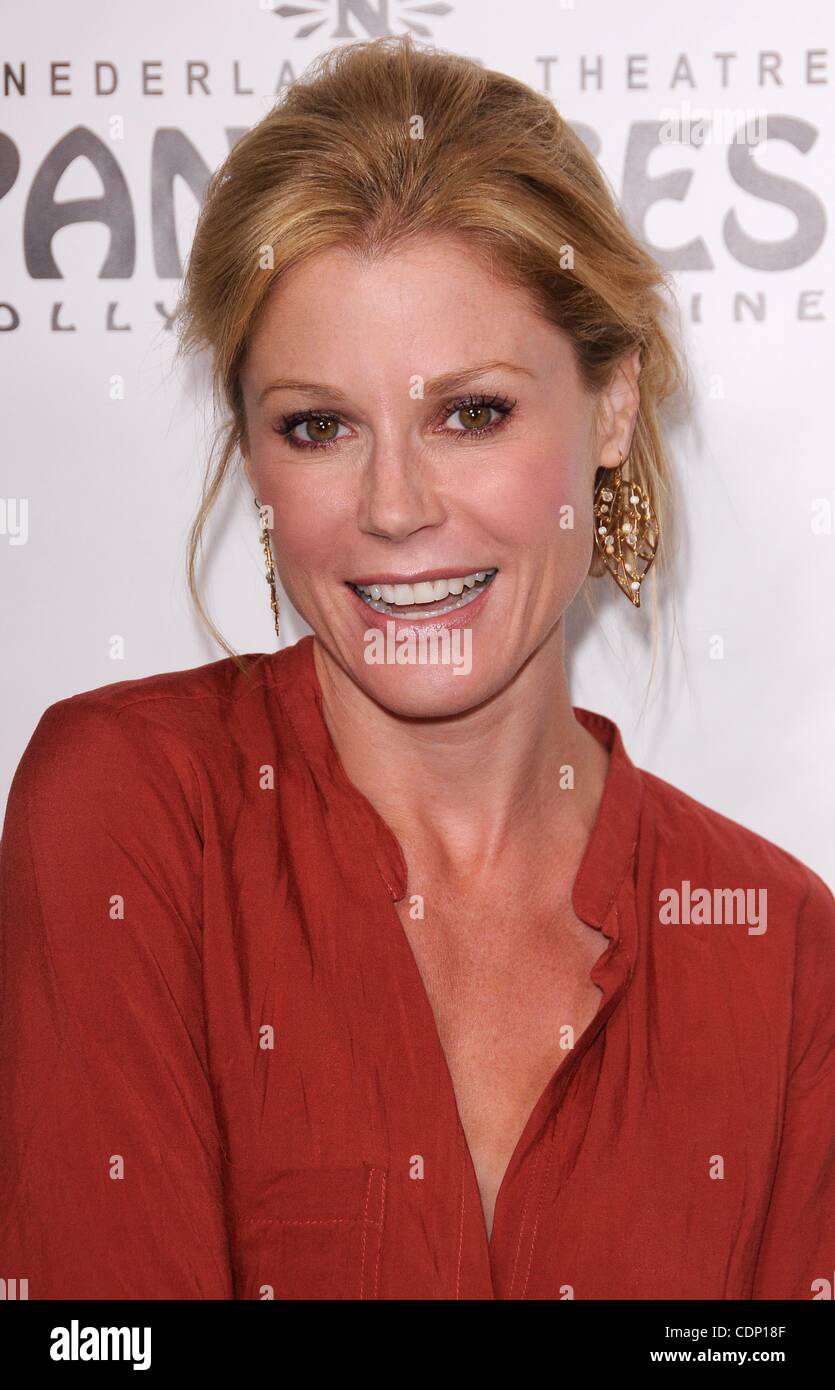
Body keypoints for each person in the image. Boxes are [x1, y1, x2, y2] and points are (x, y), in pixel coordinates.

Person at [1, 35, 832, 1302]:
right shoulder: (128, 814)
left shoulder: (776, 948)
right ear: (252, 453)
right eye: (318, 426)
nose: (393, 507)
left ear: (613, 402)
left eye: (471, 412)